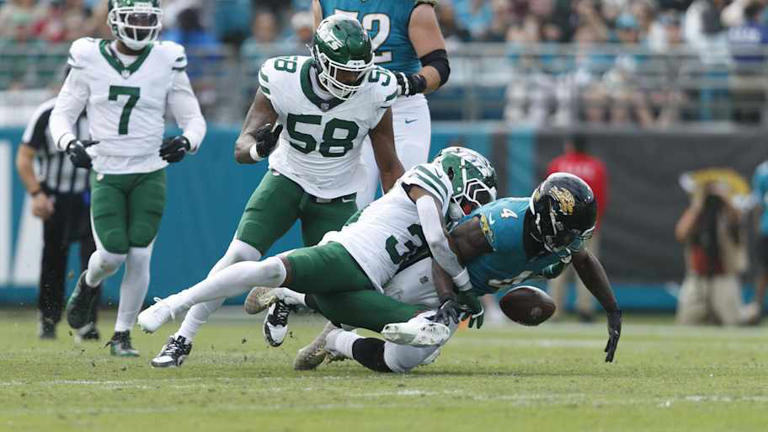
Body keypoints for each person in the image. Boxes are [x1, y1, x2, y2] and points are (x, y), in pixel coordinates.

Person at [144, 15, 404, 368]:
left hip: (338, 196)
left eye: (359, 71)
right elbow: (242, 147)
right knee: (237, 257)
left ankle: (286, 296)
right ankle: (182, 338)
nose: (353, 79)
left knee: (341, 297)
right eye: (344, 71)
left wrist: (396, 212)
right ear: (321, 60)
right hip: (286, 181)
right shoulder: (283, 78)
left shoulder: (376, 90)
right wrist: (257, 149)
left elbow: (388, 165)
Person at [137, 147, 498, 352]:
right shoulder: (429, 177)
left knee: (423, 333)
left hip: (364, 287)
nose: (475, 206)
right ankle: (173, 303)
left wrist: (457, 304)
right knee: (266, 268)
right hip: (347, 256)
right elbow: (435, 242)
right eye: (478, 194)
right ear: (456, 173)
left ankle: (289, 299)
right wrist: (465, 289)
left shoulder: (450, 217)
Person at [258, 173, 623, 373]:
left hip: (461, 298)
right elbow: (442, 252)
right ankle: (289, 292)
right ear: (547, 220)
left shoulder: (562, 243)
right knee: (363, 300)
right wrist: (451, 298)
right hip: (435, 277)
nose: (574, 242)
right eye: (569, 232)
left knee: (404, 360)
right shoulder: (504, 224)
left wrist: (611, 309)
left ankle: (336, 342)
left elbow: (585, 261)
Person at [48, 0, 207, 356]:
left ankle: (122, 334)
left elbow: (193, 119)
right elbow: (63, 112)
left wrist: (187, 141)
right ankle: (89, 284)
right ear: (114, 20)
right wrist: (68, 142)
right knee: (111, 256)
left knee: (139, 254)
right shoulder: (88, 55)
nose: (139, 25)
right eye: (132, 18)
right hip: (107, 169)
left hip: (149, 171)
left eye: (146, 19)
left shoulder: (167, 57)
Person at [313, 0, 451, 208]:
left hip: (401, 107)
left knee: (404, 201)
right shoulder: (324, 2)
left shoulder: (412, 6)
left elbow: (439, 66)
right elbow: (319, 59)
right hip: (349, 107)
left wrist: (411, 82)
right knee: (350, 203)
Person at [15, 94, 100, 341]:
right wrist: (36, 193)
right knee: (53, 258)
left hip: (90, 195)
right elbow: (24, 157)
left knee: (95, 260)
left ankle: (86, 321)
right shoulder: (47, 113)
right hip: (55, 197)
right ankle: (48, 318)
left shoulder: (102, 112)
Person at [546, 135, 608, 321]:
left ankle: (554, 309)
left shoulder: (557, 165)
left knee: (557, 267)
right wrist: (595, 223)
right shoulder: (596, 167)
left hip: (560, 226)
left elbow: (547, 195)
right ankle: (585, 308)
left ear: (570, 145)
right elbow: (601, 199)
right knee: (587, 267)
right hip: (587, 225)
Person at [675, 181, 751, 325]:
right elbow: (681, 233)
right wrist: (698, 203)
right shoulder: (697, 213)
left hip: (723, 277)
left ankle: (749, 313)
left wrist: (725, 198)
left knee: (733, 322)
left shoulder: (727, 213)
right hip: (698, 278)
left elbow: (737, 221)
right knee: (687, 322)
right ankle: (749, 312)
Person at [749, 161, 768, 323]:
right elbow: (757, 202)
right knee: (763, 271)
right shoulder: (763, 171)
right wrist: (758, 228)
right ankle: (757, 309)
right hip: (767, 229)